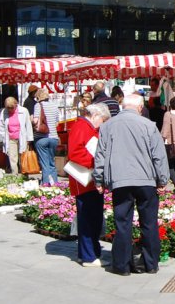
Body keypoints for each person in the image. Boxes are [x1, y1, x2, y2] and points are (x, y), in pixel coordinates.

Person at [93, 94, 168, 276]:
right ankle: (151, 264)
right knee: (149, 223)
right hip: (146, 181)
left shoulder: (108, 125)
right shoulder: (148, 126)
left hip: (120, 181)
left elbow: (100, 154)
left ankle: (121, 266)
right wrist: (162, 179)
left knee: (122, 223)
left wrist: (98, 178)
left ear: (122, 106)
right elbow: (159, 155)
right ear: (140, 107)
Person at [68, 102, 112, 267]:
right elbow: (75, 153)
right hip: (84, 180)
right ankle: (88, 256)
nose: (103, 123)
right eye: (103, 119)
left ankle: (90, 253)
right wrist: (97, 162)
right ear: (95, 116)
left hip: (90, 179)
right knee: (88, 218)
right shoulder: (81, 127)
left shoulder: (86, 127)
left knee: (93, 217)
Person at [0, 96, 33, 174]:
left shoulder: (24, 111)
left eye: (12, 108)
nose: (10, 110)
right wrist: (2, 139)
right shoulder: (4, 112)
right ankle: (15, 176)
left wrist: (29, 139)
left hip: (22, 138)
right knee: (13, 159)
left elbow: (28, 125)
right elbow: (2, 126)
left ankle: (24, 176)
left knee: (23, 158)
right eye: (8, 108)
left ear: (16, 105)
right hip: (10, 138)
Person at [32, 88, 59, 186]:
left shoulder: (38, 105)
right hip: (54, 137)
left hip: (41, 138)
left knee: (44, 163)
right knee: (51, 162)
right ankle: (55, 183)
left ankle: (46, 183)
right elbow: (56, 123)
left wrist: (31, 119)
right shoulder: (55, 106)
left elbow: (35, 121)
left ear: (38, 97)